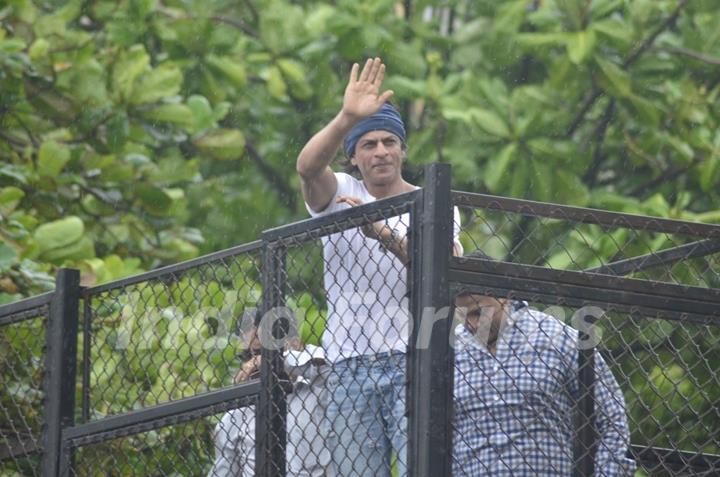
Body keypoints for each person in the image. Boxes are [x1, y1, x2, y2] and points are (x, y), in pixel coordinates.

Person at [296, 57, 462, 476]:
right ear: (353, 157)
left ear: (404, 150)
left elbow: (440, 274)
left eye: (390, 141)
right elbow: (307, 167)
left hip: (415, 357)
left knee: (420, 468)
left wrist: (382, 235)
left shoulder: (435, 203)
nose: (381, 151)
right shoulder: (342, 191)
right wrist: (347, 117)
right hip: (348, 363)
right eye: (368, 144)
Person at [452, 254, 636, 476]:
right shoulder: (449, 353)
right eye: (463, 316)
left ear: (503, 297)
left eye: (478, 313)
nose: (471, 324)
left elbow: (612, 418)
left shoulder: (556, 338)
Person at [208, 331, 332, 477]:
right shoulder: (234, 418)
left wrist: (275, 360)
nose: (259, 362)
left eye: (268, 351)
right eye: (255, 355)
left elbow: (335, 369)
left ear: (296, 343)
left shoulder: (318, 390)